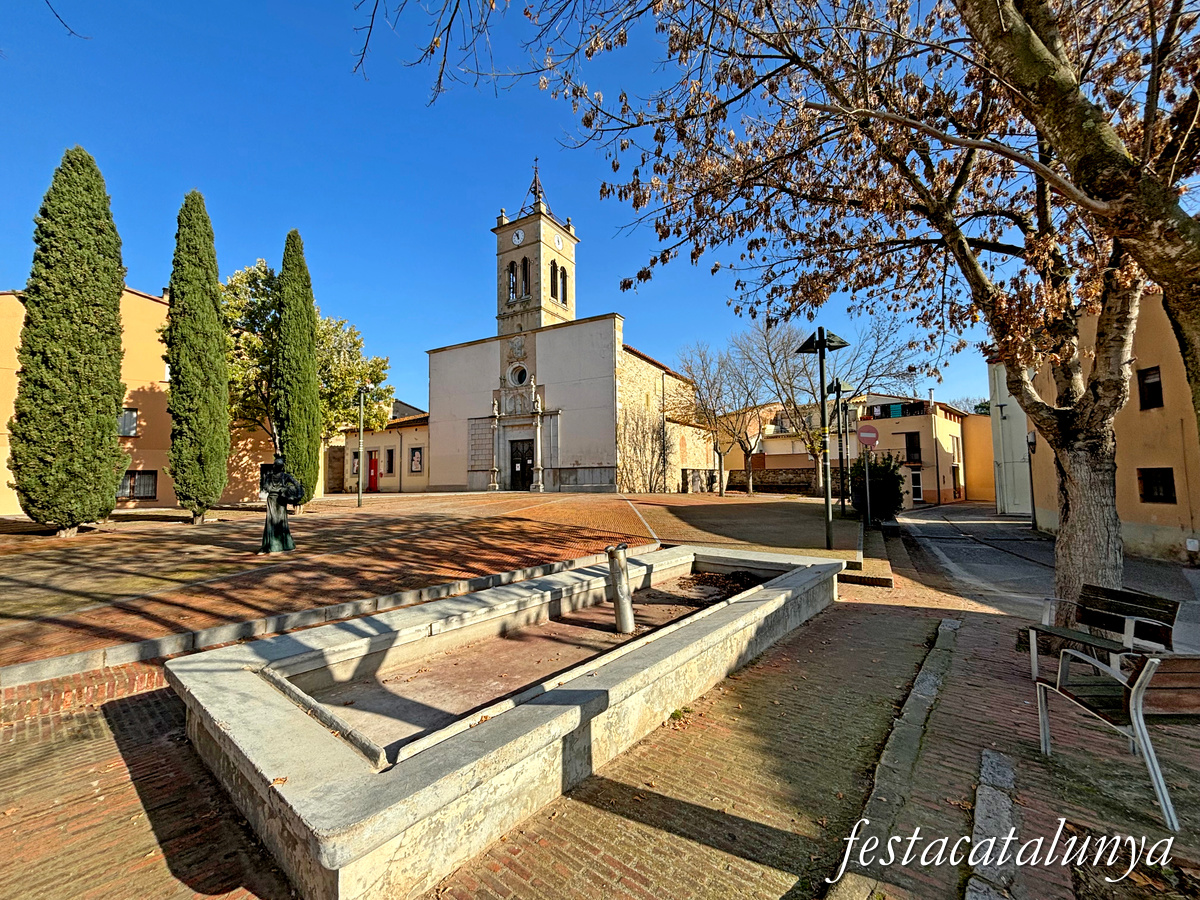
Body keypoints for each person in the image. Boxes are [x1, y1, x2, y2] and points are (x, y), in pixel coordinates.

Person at [259, 454, 303, 554]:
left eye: (277, 465)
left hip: (281, 499)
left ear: (280, 467)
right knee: (271, 520)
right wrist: (280, 489)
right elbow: (266, 487)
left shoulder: (286, 476)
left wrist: (297, 496)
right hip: (272, 499)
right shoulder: (269, 476)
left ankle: (284, 544)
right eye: (275, 465)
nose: (275, 467)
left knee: (280, 520)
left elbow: (298, 485)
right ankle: (269, 545)